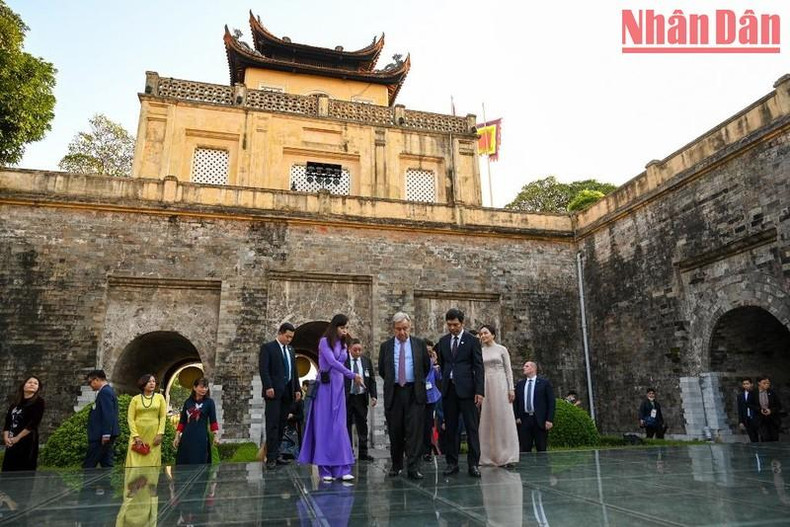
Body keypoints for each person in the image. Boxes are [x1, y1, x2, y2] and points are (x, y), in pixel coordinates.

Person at [298, 314, 364, 482]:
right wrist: (352, 375)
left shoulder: (344, 344)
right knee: (325, 427)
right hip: (325, 388)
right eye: (342, 328)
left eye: (346, 328)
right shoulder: (324, 342)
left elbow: (341, 362)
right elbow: (333, 362)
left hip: (339, 387)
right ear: (335, 327)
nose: (345, 331)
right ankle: (325, 469)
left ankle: (342, 468)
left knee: (339, 427)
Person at [378, 312, 431, 479]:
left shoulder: (419, 344)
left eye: (405, 328)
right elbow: (382, 370)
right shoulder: (385, 346)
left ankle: (413, 467)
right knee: (395, 430)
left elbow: (426, 367)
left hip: (414, 392)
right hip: (394, 393)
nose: (402, 332)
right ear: (393, 329)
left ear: (410, 327)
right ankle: (396, 465)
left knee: (414, 431)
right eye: (398, 329)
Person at [436, 308, 484, 478]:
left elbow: (479, 367)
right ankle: (452, 463)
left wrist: (479, 391)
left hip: (468, 391)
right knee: (451, 428)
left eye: (455, 325)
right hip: (449, 390)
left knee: (471, 428)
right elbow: (443, 364)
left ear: (462, 323)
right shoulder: (443, 341)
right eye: (449, 325)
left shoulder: (472, 341)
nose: (452, 328)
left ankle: (473, 464)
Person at [259, 322, 300, 469]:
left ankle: (277, 454)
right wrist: (268, 386)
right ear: (280, 333)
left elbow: (294, 371)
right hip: (273, 392)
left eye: (291, 337)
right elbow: (264, 369)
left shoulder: (291, 350)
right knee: (273, 424)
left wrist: (297, 389)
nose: (289, 339)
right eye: (287, 336)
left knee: (282, 423)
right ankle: (270, 457)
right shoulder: (268, 348)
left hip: (288, 392)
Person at [478, 324, 519, 467]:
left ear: (493, 334)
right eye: (481, 334)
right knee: (488, 418)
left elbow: (508, 370)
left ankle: (508, 456)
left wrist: (511, 388)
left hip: (500, 384)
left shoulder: (502, 349)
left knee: (503, 417)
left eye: (485, 333)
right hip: (486, 385)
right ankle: (489, 456)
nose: (483, 336)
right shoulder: (480, 351)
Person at [2, 376, 45, 472]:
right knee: (8, 470)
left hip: (27, 441)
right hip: (11, 441)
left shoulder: (39, 402)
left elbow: (34, 423)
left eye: (36, 383)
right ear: (23, 385)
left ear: (38, 388)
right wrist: (6, 437)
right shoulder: (15, 403)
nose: (32, 384)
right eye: (30, 382)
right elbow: (8, 421)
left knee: (24, 471)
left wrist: (17, 438)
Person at [345, 338, 378, 462]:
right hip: (347, 397)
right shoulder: (344, 361)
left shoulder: (366, 361)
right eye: (355, 350)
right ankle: (348, 452)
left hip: (361, 397)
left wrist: (373, 395)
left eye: (360, 350)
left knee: (362, 424)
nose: (358, 352)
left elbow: (372, 380)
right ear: (350, 349)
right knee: (346, 424)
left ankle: (363, 453)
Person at [173, 377, 219, 464]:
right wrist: (177, 436)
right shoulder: (188, 402)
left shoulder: (209, 402)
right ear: (194, 387)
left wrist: (216, 436)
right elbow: (182, 421)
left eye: (206, 387)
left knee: (199, 460)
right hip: (187, 436)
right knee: (184, 462)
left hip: (201, 436)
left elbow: (213, 420)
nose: (204, 389)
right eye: (201, 387)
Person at [126, 373, 167, 467]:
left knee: (152, 462)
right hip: (138, 435)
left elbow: (163, 417)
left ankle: (151, 477)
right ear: (143, 384)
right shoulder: (135, 399)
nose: (152, 383)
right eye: (149, 381)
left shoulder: (160, 398)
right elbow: (130, 419)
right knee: (135, 462)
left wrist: (160, 434)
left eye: (153, 381)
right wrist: (135, 436)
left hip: (154, 435)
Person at [513, 361, 555, 452]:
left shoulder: (544, 383)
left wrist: (549, 419)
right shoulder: (520, 385)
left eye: (526, 366)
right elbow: (516, 402)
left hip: (539, 420)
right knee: (524, 448)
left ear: (533, 368)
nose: (524, 368)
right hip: (524, 420)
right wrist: (517, 417)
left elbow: (551, 402)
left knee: (541, 448)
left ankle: (542, 462)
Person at [84, 369, 120, 468]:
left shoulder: (105, 392)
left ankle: (87, 480)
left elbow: (107, 414)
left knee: (89, 465)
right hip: (102, 435)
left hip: (101, 436)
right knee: (106, 462)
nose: (90, 385)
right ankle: (107, 479)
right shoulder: (106, 391)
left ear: (96, 379)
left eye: (90, 382)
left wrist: (106, 433)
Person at [423, 340, 442, 462]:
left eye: (430, 351)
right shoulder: (423, 362)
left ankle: (427, 450)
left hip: (431, 396)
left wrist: (436, 366)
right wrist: (432, 362)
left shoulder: (434, 365)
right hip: (420, 396)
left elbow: (438, 377)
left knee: (428, 425)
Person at [753, 376, 782, 442]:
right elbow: (750, 405)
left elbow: (779, 406)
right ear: (759, 383)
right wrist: (760, 410)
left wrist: (770, 410)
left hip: (772, 419)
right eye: (764, 383)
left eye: (768, 383)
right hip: (761, 420)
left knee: (774, 438)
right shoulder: (754, 393)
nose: (767, 384)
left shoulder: (772, 392)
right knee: (765, 438)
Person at [737, 377, 759, 443]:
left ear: (751, 384)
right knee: (752, 438)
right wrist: (741, 421)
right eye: (744, 384)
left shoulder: (756, 393)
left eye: (747, 383)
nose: (746, 385)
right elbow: (740, 409)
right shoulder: (740, 396)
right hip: (747, 419)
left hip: (757, 418)